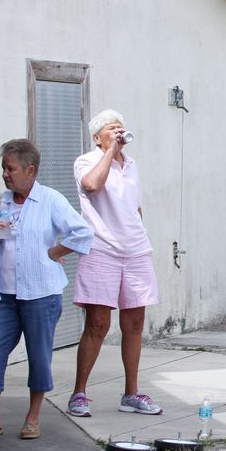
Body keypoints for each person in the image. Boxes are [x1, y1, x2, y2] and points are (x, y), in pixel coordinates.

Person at [0, 139, 92, 441]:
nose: (5, 174)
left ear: (30, 170)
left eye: (11, 168)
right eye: (4, 168)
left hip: (41, 294)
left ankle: (33, 417)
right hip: (5, 296)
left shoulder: (50, 200)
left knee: (38, 355)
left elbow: (83, 232)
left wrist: (54, 250)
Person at [67, 110, 161, 418]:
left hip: (135, 252)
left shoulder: (132, 165)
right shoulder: (86, 160)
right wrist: (109, 152)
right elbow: (92, 186)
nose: (120, 132)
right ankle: (79, 393)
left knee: (134, 324)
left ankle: (131, 393)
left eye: (122, 127)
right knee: (98, 324)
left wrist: (140, 238)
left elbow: (136, 208)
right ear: (98, 137)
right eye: (112, 129)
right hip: (101, 250)